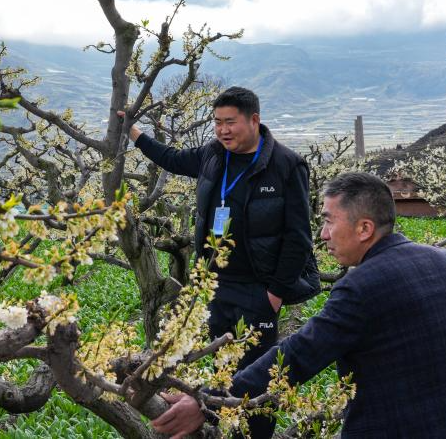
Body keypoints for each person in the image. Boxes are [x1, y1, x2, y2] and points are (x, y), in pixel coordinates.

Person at [152, 172, 446, 439]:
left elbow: (295, 355)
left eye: (328, 221)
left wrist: (209, 403)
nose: (322, 234)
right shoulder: (443, 260)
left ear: (364, 228)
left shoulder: (360, 287)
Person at [121, 86, 320, 437]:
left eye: (230, 122)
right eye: (217, 122)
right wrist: (133, 132)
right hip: (215, 285)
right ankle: (220, 429)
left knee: (257, 376)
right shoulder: (213, 155)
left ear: (254, 120)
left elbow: (298, 238)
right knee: (221, 370)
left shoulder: (286, 165)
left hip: (258, 290)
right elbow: (172, 158)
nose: (223, 130)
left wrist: (274, 295)